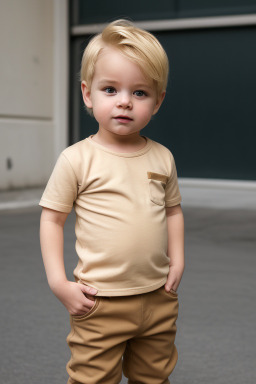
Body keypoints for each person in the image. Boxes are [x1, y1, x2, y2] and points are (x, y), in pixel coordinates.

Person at [39, 19, 184, 384]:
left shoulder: (162, 157)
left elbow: (173, 211)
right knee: (93, 378)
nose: (124, 101)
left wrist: (178, 259)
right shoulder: (77, 159)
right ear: (88, 94)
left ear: (158, 100)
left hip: (157, 296)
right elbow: (52, 220)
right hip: (99, 300)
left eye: (139, 93)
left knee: (155, 375)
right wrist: (59, 282)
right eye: (110, 89)